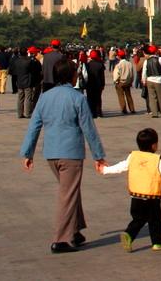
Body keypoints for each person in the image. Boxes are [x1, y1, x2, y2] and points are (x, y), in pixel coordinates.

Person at [19, 58, 107, 254]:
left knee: (70, 191)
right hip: (71, 154)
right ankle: (61, 239)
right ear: (72, 75)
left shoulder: (45, 97)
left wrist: (28, 152)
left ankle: (75, 231)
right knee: (67, 195)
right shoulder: (77, 98)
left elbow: (34, 125)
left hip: (51, 153)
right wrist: (98, 155)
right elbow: (89, 129)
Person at [100, 128, 161, 252]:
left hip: (135, 196)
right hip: (151, 197)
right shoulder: (156, 159)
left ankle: (129, 234)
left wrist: (105, 170)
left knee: (138, 219)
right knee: (155, 220)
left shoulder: (132, 156)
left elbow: (121, 167)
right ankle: (157, 243)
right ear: (154, 145)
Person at [9, 46, 42, 118]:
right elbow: (33, 71)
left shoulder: (17, 61)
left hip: (19, 81)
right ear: (26, 53)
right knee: (28, 98)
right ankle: (28, 113)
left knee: (20, 98)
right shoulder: (29, 61)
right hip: (27, 81)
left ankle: (19, 113)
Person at [142, 45, 161, 118]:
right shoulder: (159, 59)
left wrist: (144, 80)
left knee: (152, 98)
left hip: (150, 80)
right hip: (159, 80)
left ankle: (154, 113)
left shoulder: (146, 61)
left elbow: (144, 72)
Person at [85, 50, 106, 118]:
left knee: (90, 98)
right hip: (98, 84)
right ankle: (99, 112)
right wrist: (103, 84)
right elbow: (102, 76)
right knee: (98, 98)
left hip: (89, 84)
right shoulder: (100, 65)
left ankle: (92, 113)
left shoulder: (87, 65)